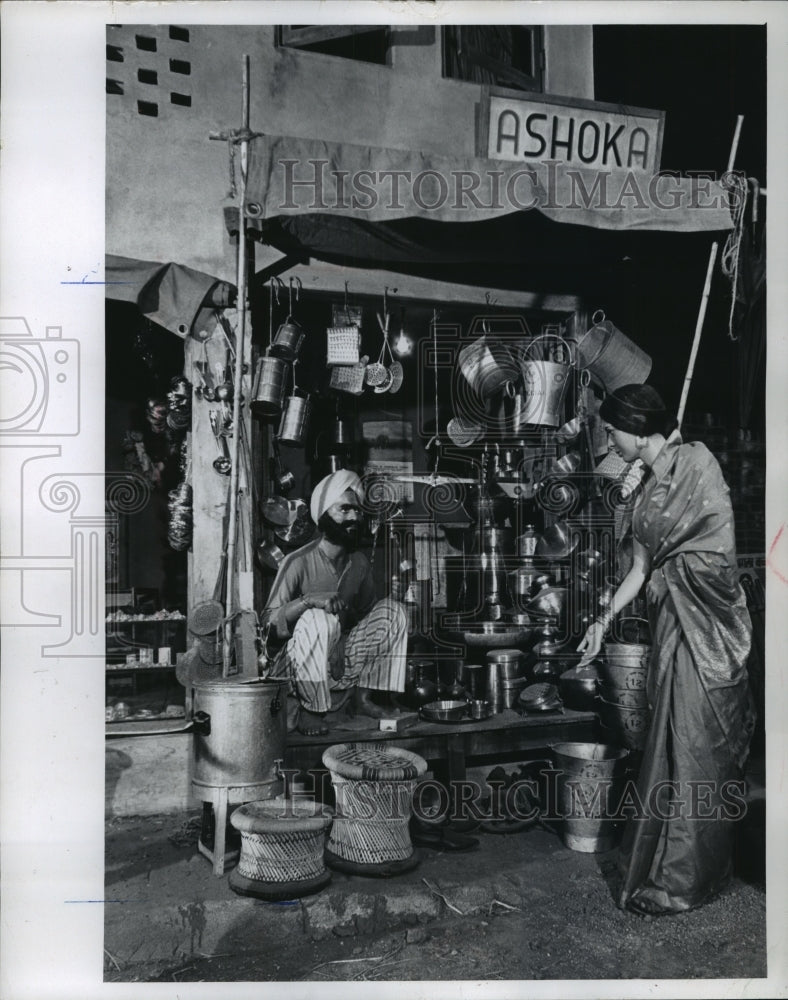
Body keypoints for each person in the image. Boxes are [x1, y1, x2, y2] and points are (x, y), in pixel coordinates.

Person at [577, 384, 755, 917]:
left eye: (612, 431)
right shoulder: (642, 491)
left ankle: (685, 881)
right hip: (672, 629)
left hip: (707, 625)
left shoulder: (698, 465)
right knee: (671, 746)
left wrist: (681, 575)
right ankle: (674, 868)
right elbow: (638, 570)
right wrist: (602, 621)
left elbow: (718, 552)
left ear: (635, 428)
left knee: (700, 747)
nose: (609, 440)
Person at [261, 469, 407, 735]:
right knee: (318, 617)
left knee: (393, 612)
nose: (354, 517)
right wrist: (308, 601)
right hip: (294, 671)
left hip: (338, 664)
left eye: (358, 511)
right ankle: (310, 710)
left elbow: (366, 617)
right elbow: (268, 624)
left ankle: (364, 699)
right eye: (345, 510)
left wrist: (393, 599)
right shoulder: (298, 561)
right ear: (324, 514)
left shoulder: (359, 563)